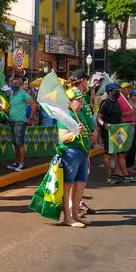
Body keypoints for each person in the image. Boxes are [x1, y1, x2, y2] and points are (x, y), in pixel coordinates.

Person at [57, 89, 92, 227]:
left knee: (80, 185)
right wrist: (75, 133)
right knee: (68, 186)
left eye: (82, 99)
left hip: (82, 153)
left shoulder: (79, 115)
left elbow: (85, 132)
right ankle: (67, 217)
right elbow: (63, 138)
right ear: (69, 103)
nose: (81, 102)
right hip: (70, 153)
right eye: (78, 100)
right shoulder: (65, 117)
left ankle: (75, 214)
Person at [98, 83, 132, 184]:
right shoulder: (105, 103)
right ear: (109, 92)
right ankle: (109, 176)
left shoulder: (117, 103)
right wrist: (104, 124)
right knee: (108, 154)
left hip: (118, 131)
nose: (117, 92)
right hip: (108, 131)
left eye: (118, 90)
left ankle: (126, 175)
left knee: (121, 153)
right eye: (115, 91)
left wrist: (126, 124)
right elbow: (98, 117)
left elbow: (119, 117)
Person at [5, 77, 38, 172]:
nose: (14, 85)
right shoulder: (12, 95)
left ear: (20, 85)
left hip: (20, 122)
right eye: (12, 83)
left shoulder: (23, 94)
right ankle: (17, 161)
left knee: (20, 143)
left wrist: (30, 118)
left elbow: (34, 105)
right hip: (12, 121)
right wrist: (2, 109)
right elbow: (12, 108)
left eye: (16, 83)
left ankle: (22, 163)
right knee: (15, 143)